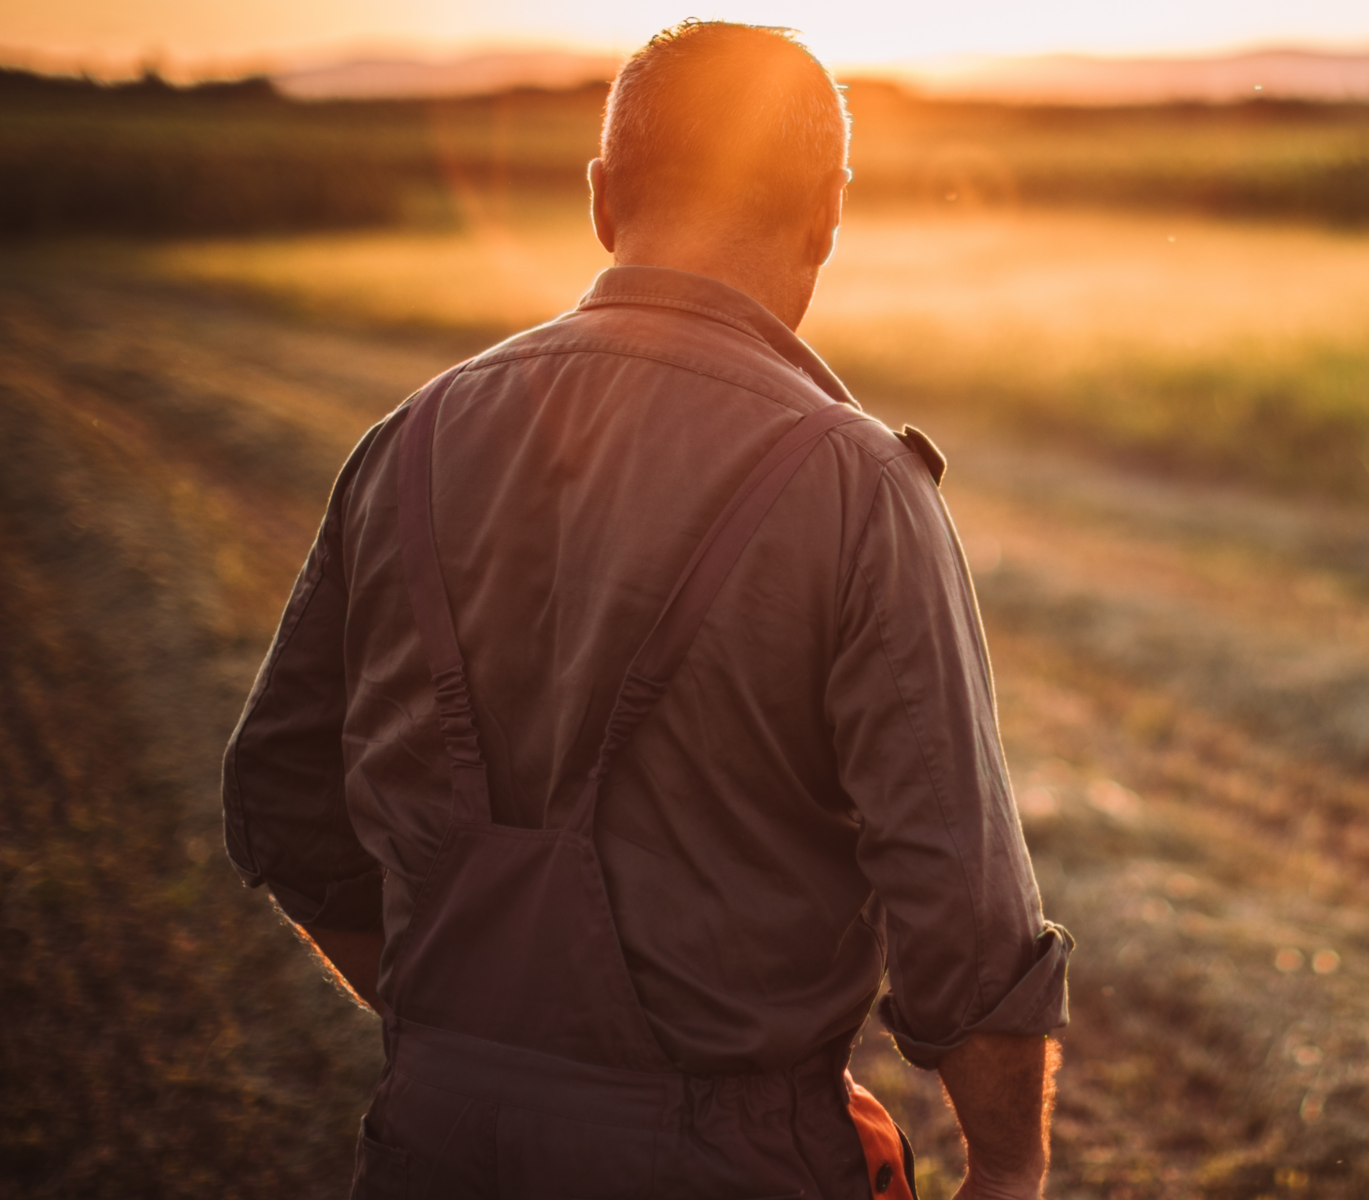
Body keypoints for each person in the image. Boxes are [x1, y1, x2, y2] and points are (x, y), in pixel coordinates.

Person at [219, 22, 1068, 1200]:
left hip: (430, 1137)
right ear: (828, 215)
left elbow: (278, 795)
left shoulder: (406, 442)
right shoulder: (858, 488)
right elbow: (959, 899)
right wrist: (1010, 1169)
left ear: (602, 198)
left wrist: (483, 1052)